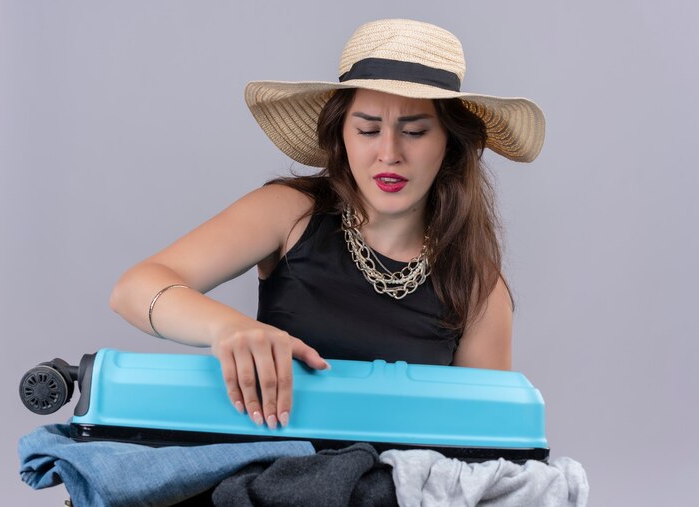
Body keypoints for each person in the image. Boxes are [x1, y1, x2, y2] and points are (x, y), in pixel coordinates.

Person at [109, 19, 545, 432]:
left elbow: (482, 446)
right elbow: (134, 289)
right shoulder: (289, 213)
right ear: (341, 136)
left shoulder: (479, 288)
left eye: (414, 132)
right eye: (368, 129)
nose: (389, 153)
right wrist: (228, 328)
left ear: (449, 145)